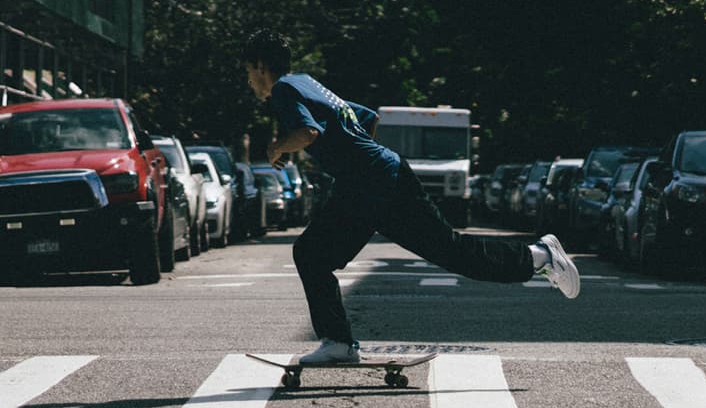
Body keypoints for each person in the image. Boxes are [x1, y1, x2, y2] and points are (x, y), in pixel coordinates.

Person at [245, 29, 580, 365]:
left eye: (249, 73)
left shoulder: (284, 90)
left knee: (310, 253)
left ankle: (338, 343)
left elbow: (308, 132)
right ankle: (538, 256)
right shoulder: (306, 81)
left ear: (261, 67)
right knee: (451, 250)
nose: (249, 82)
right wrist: (355, 156)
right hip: (383, 174)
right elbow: (367, 118)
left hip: (368, 182)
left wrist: (277, 147)